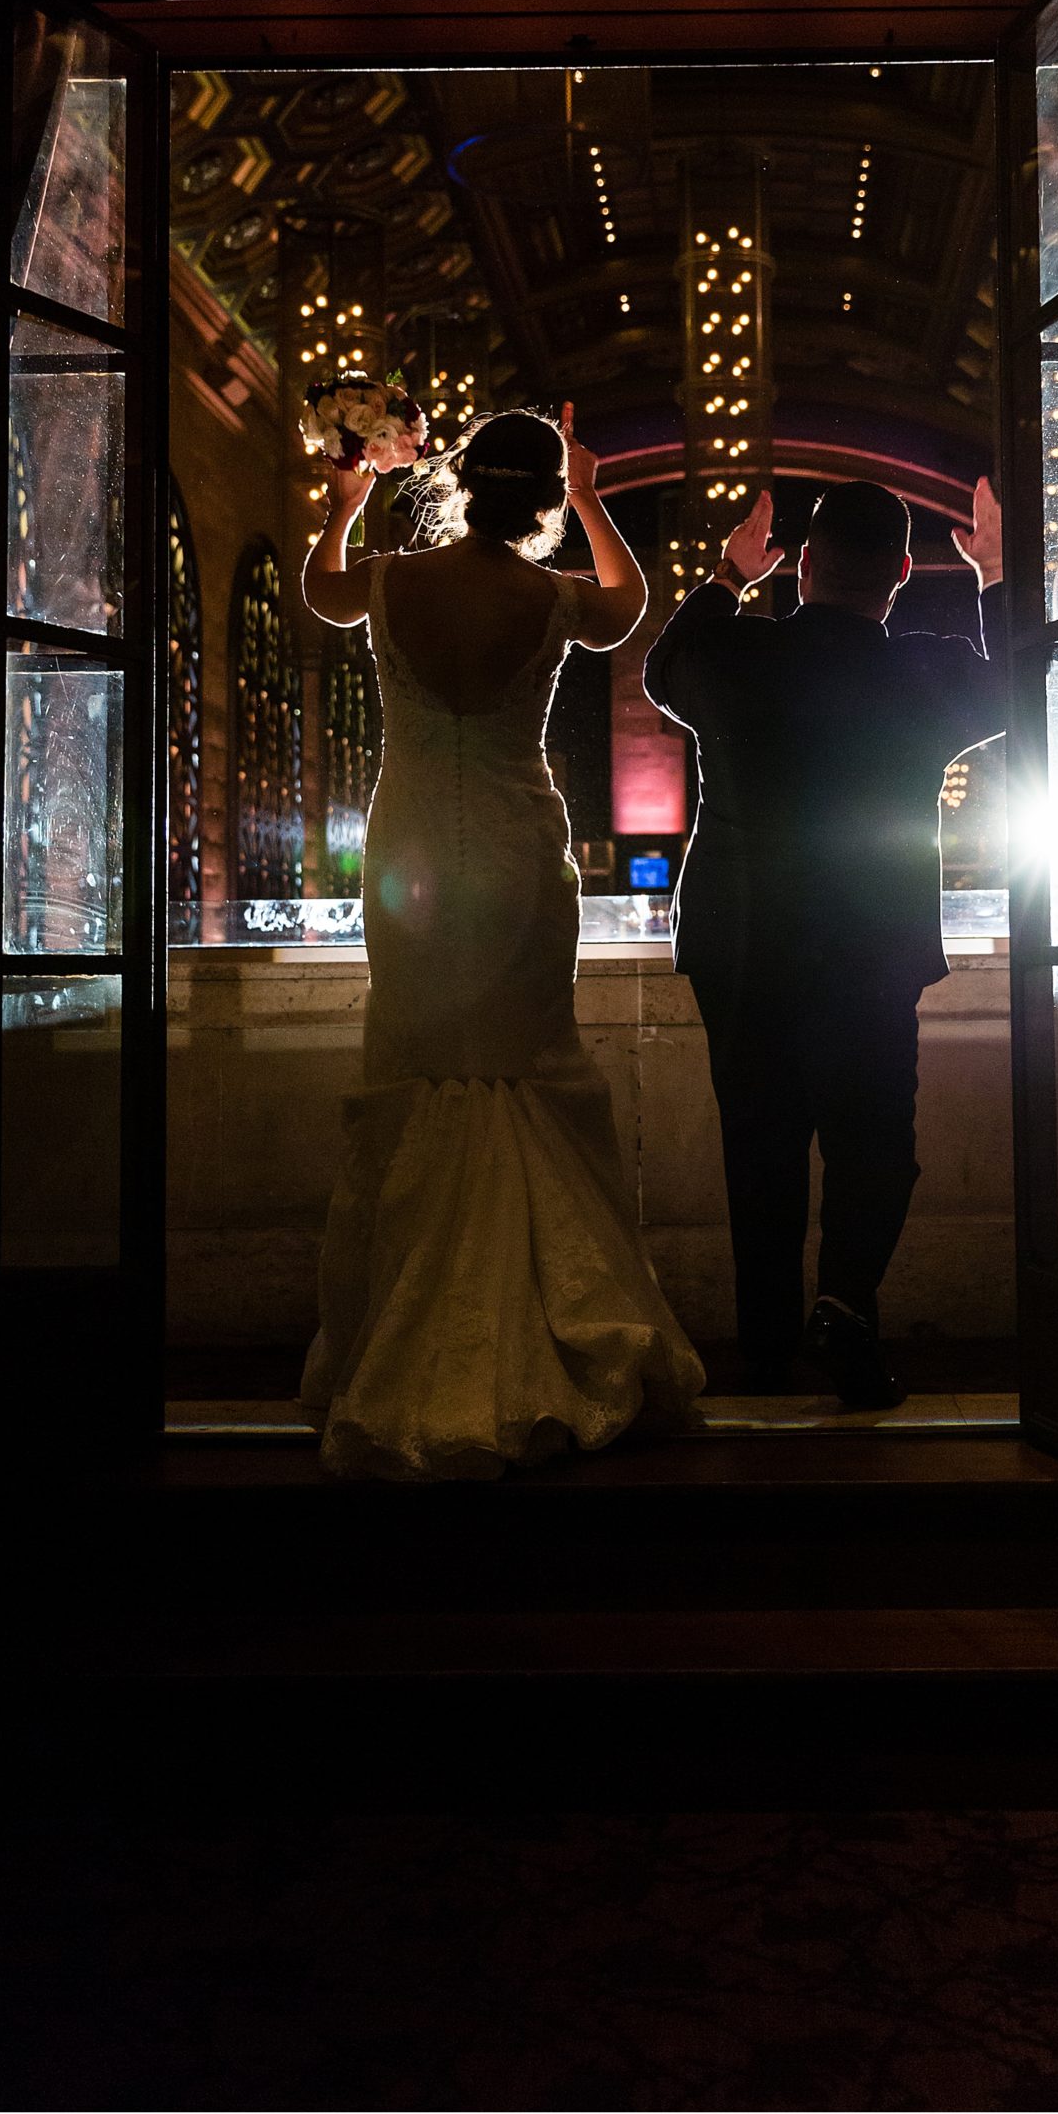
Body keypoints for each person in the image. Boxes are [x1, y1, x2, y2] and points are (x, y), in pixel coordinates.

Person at [298, 404, 706, 1479]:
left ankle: (398, 1331)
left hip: (416, 845)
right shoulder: (552, 596)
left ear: (464, 483)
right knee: (523, 1063)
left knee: (422, 1059)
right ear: (536, 496)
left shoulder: (388, 579)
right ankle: (541, 1310)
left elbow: (316, 590)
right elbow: (632, 606)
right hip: (522, 846)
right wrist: (590, 491)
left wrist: (343, 510)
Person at [643, 477, 1005, 1408]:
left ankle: (764, 1356)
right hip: (868, 952)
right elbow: (1025, 684)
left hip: (743, 945)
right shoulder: (925, 673)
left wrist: (730, 574)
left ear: (801, 565)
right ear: (901, 576)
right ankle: (845, 1308)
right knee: (875, 1145)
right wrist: (997, 572)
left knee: (757, 1157)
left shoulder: (737, 657)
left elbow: (663, 665)